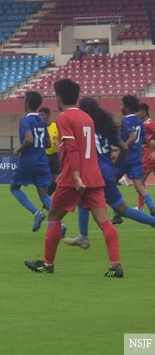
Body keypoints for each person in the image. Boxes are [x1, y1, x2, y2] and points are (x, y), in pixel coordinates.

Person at [24, 79, 123, 277]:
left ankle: (47, 264)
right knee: (104, 221)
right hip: (93, 175)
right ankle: (115, 266)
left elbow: (72, 148)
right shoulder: (87, 118)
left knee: (54, 216)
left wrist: (75, 175)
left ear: (58, 98)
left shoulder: (63, 118)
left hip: (75, 178)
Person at [63, 98, 155, 249]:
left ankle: (84, 237)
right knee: (121, 208)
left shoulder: (83, 128)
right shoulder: (106, 126)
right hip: (106, 171)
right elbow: (124, 147)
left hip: (91, 172)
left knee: (81, 202)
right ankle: (83, 236)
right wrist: (115, 164)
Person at [9, 91, 53, 232]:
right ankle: (59, 223)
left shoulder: (25, 120)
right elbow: (48, 143)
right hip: (42, 161)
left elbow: (29, 139)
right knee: (44, 194)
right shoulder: (42, 120)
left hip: (28, 160)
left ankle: (36, 213)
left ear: (27, 103)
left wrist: (19, 150)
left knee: (14, 188)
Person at [111, 95, 155, 224]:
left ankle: (116, 215)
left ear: (126, 107)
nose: (120, 107)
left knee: (112, 184)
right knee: (139, 185)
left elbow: (132, 137)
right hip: (137, 158)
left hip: (125, 158)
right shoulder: (140, 122)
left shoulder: (126, 121)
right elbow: (143, 140)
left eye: (121, 105)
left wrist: (120, 151)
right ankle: (151, 206)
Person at [38, 106, 60, 197]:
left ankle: (46, 198)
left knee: (56, 180)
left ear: (48, 115)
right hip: (43, 156)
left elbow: (61, 139)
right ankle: (46, 202)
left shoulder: (56, 126)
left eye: (42, 115)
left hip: (54, 155)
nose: (40, 117)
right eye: (39, 115)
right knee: (45, 180)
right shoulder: (38, 128)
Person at [137, 103, 155, 209]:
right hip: (149, 152)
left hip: (150, 156)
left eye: (137, 112)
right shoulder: (145, 125)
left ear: (143, 112)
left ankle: (140, 208)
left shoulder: (149, 124)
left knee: (139, 181)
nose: (136, 114)